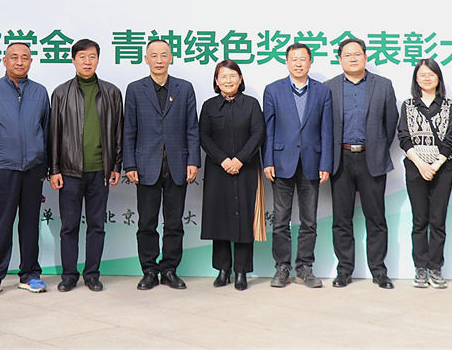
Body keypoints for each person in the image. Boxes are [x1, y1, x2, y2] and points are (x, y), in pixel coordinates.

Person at [0, 43, 50, 297]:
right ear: (4, 61)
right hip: (1, 168)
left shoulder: (40, 92)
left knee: (30, 225)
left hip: (33, 169)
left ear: (31, 62)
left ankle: (30, 275)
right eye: (14, 57)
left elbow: (47, 131)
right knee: (1, 225)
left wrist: (45, 167)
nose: (19, 62)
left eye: (25, 57)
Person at [123, 39, 200, 291]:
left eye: (163, 55)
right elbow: (129, 130)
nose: (159, 60)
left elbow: (192, 127)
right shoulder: (135, 89)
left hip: (178, 165)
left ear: (171, 58)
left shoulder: (184, 88)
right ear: (146, 59)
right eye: (154, 55)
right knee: (147, 222)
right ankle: (149, 271)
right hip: (146, 165)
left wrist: (193, 160)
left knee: (174, 222)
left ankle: (169, 270)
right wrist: (129, 164)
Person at [49, 39, 123, 292]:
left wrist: (116, 166)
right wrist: (54, 169)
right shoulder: (61, 93)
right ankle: (69, 275)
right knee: (69, 226)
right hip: (69, 172)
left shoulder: (111, 92)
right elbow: (54, 134)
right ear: (73, 60)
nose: (87, 62)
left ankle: (92, 274)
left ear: (98, 60)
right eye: (82, 57)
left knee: (96, 226)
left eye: (92, 57)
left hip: (100, 172)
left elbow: (118, 132)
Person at [326, 37, 399, 289]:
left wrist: (377, 147)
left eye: (357, 54)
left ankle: (379, 271)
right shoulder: (329, 87)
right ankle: (344, 270)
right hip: (340, 159)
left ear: (366, 57)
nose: (353, 58)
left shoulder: (383, 85)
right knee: (341, 219)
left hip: (372, 158)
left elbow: (391, 123)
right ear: (340, 59)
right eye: (347, 55)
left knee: (376, 218)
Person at [262, 43, 333, 289]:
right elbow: (268, 130)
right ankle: (282, 268)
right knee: (281, 220)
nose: (299, 63)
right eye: (294, 59)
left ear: (310, 62)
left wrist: (326, 162)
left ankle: (305, 268)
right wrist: (268, 160)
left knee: (309, 221)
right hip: (282, 162)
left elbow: (326, 130)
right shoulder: (273, 90)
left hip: (312, 162)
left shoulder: (323, 92)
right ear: (287, 62)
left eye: (303, 59)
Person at [199, 60, 265, 291]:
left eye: (232, 76)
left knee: (243, 219)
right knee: (219, 220)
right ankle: (223, 269)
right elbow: (204, 136)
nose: (228, 80)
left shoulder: (251, 104)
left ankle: (241, 272)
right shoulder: (209, 106)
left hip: (246, 169)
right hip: (218, 170)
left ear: (240, 79)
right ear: (216, 81)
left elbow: (258, 133)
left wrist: (239, 160)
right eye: (223, 76)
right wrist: (224, 161)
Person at [396, 59, 452, 289]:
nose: (426, 78)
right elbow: (403, 136)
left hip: (443, 169)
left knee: (438, 220)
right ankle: (420, 268)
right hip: (415, 168)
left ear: (438, 78)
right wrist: (421, 164)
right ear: (416, 79)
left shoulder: (449, 105)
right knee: (419, 220)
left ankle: (436, 268)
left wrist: (436, 164)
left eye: (431, 74)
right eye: (422, 75)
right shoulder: (408, 105)